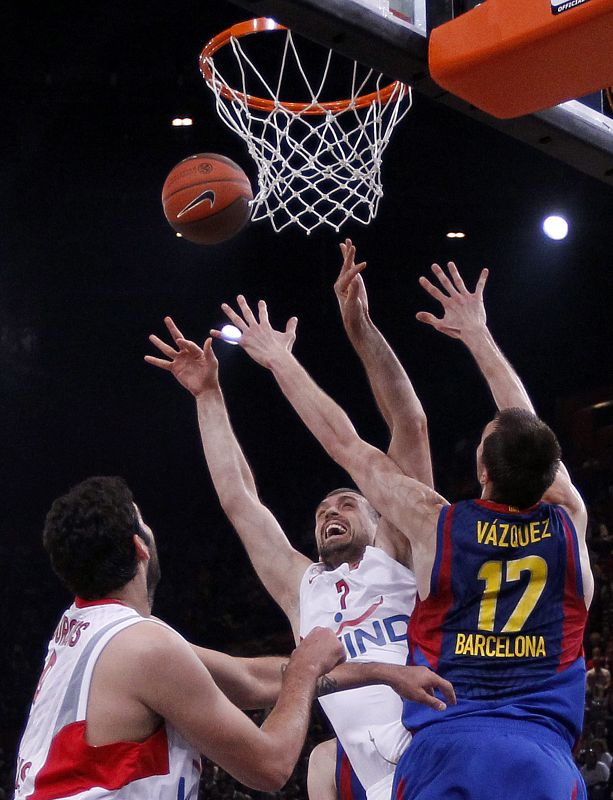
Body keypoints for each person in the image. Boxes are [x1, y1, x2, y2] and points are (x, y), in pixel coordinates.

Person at [211, 259, 593, 800]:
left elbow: (346, 442)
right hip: (540, 754)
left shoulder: (438, 525)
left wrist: (280, 362)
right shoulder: (569, 525)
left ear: (481, 471)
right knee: (325, 762)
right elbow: (530, 435)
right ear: (551, 472)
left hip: (443, 747)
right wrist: (480, 337)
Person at [145, 240, 443, 800]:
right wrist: (209, 396)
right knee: (324, 761)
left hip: (440, 747)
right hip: (376, 777)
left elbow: (411, 422)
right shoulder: (303, 586)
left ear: (379, 516)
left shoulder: (401, 549)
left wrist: (360, 330)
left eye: (346, 502)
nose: (331, 510)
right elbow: (240, 501)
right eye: (323, 509)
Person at [13, 475, 346, 799]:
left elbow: (247, 680)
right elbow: (271, 766)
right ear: (139, 546)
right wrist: (305, 669)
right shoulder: (145, 648)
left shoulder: (86, 629)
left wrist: (372, 670)